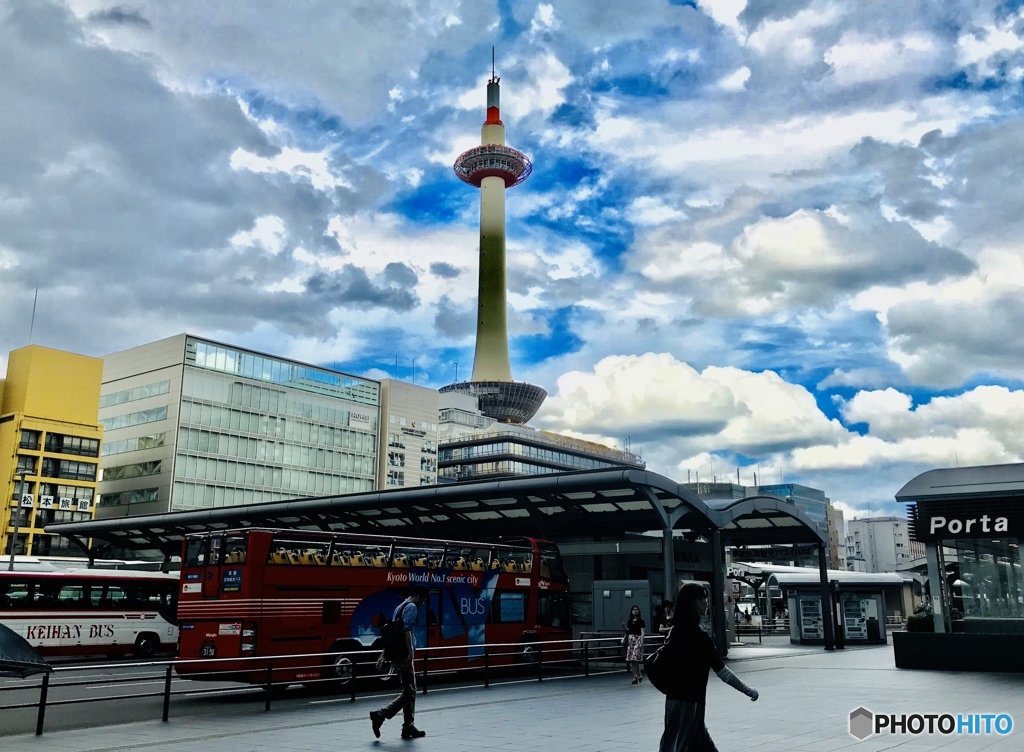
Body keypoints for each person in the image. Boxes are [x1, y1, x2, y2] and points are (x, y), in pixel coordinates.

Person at [659, 582, 759, 752]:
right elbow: (723, 672)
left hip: (673, 701)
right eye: (703, 598)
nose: (706, 602)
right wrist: (748, 690)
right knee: (680, 745)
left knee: (689, 743)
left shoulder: (675, 632)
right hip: (691, 704)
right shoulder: (699, 637)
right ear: (693, 602)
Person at [370, 586, 428, 740]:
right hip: (404, 656)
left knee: (410, 689)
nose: (422, 603)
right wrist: (410, 653)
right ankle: (380, 715)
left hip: (397, 654)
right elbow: (406, 631)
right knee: (410, 692)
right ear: (417, 596)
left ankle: (408, 726)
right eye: (423, 599)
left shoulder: (399, 608)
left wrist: (384, 654)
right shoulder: (411, 607)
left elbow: (392, 634)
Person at [624, 604, 646, 684]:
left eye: (636, 609)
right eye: (633, 609)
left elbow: (642, 632)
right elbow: (628, 631)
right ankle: (635, 676)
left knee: (636, 657)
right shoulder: (629, 621)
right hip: (631, 639)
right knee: (631, 659)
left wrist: (641, 642)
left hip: (637, 639)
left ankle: (638, 674)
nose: (635, 611)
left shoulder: (641, 621)